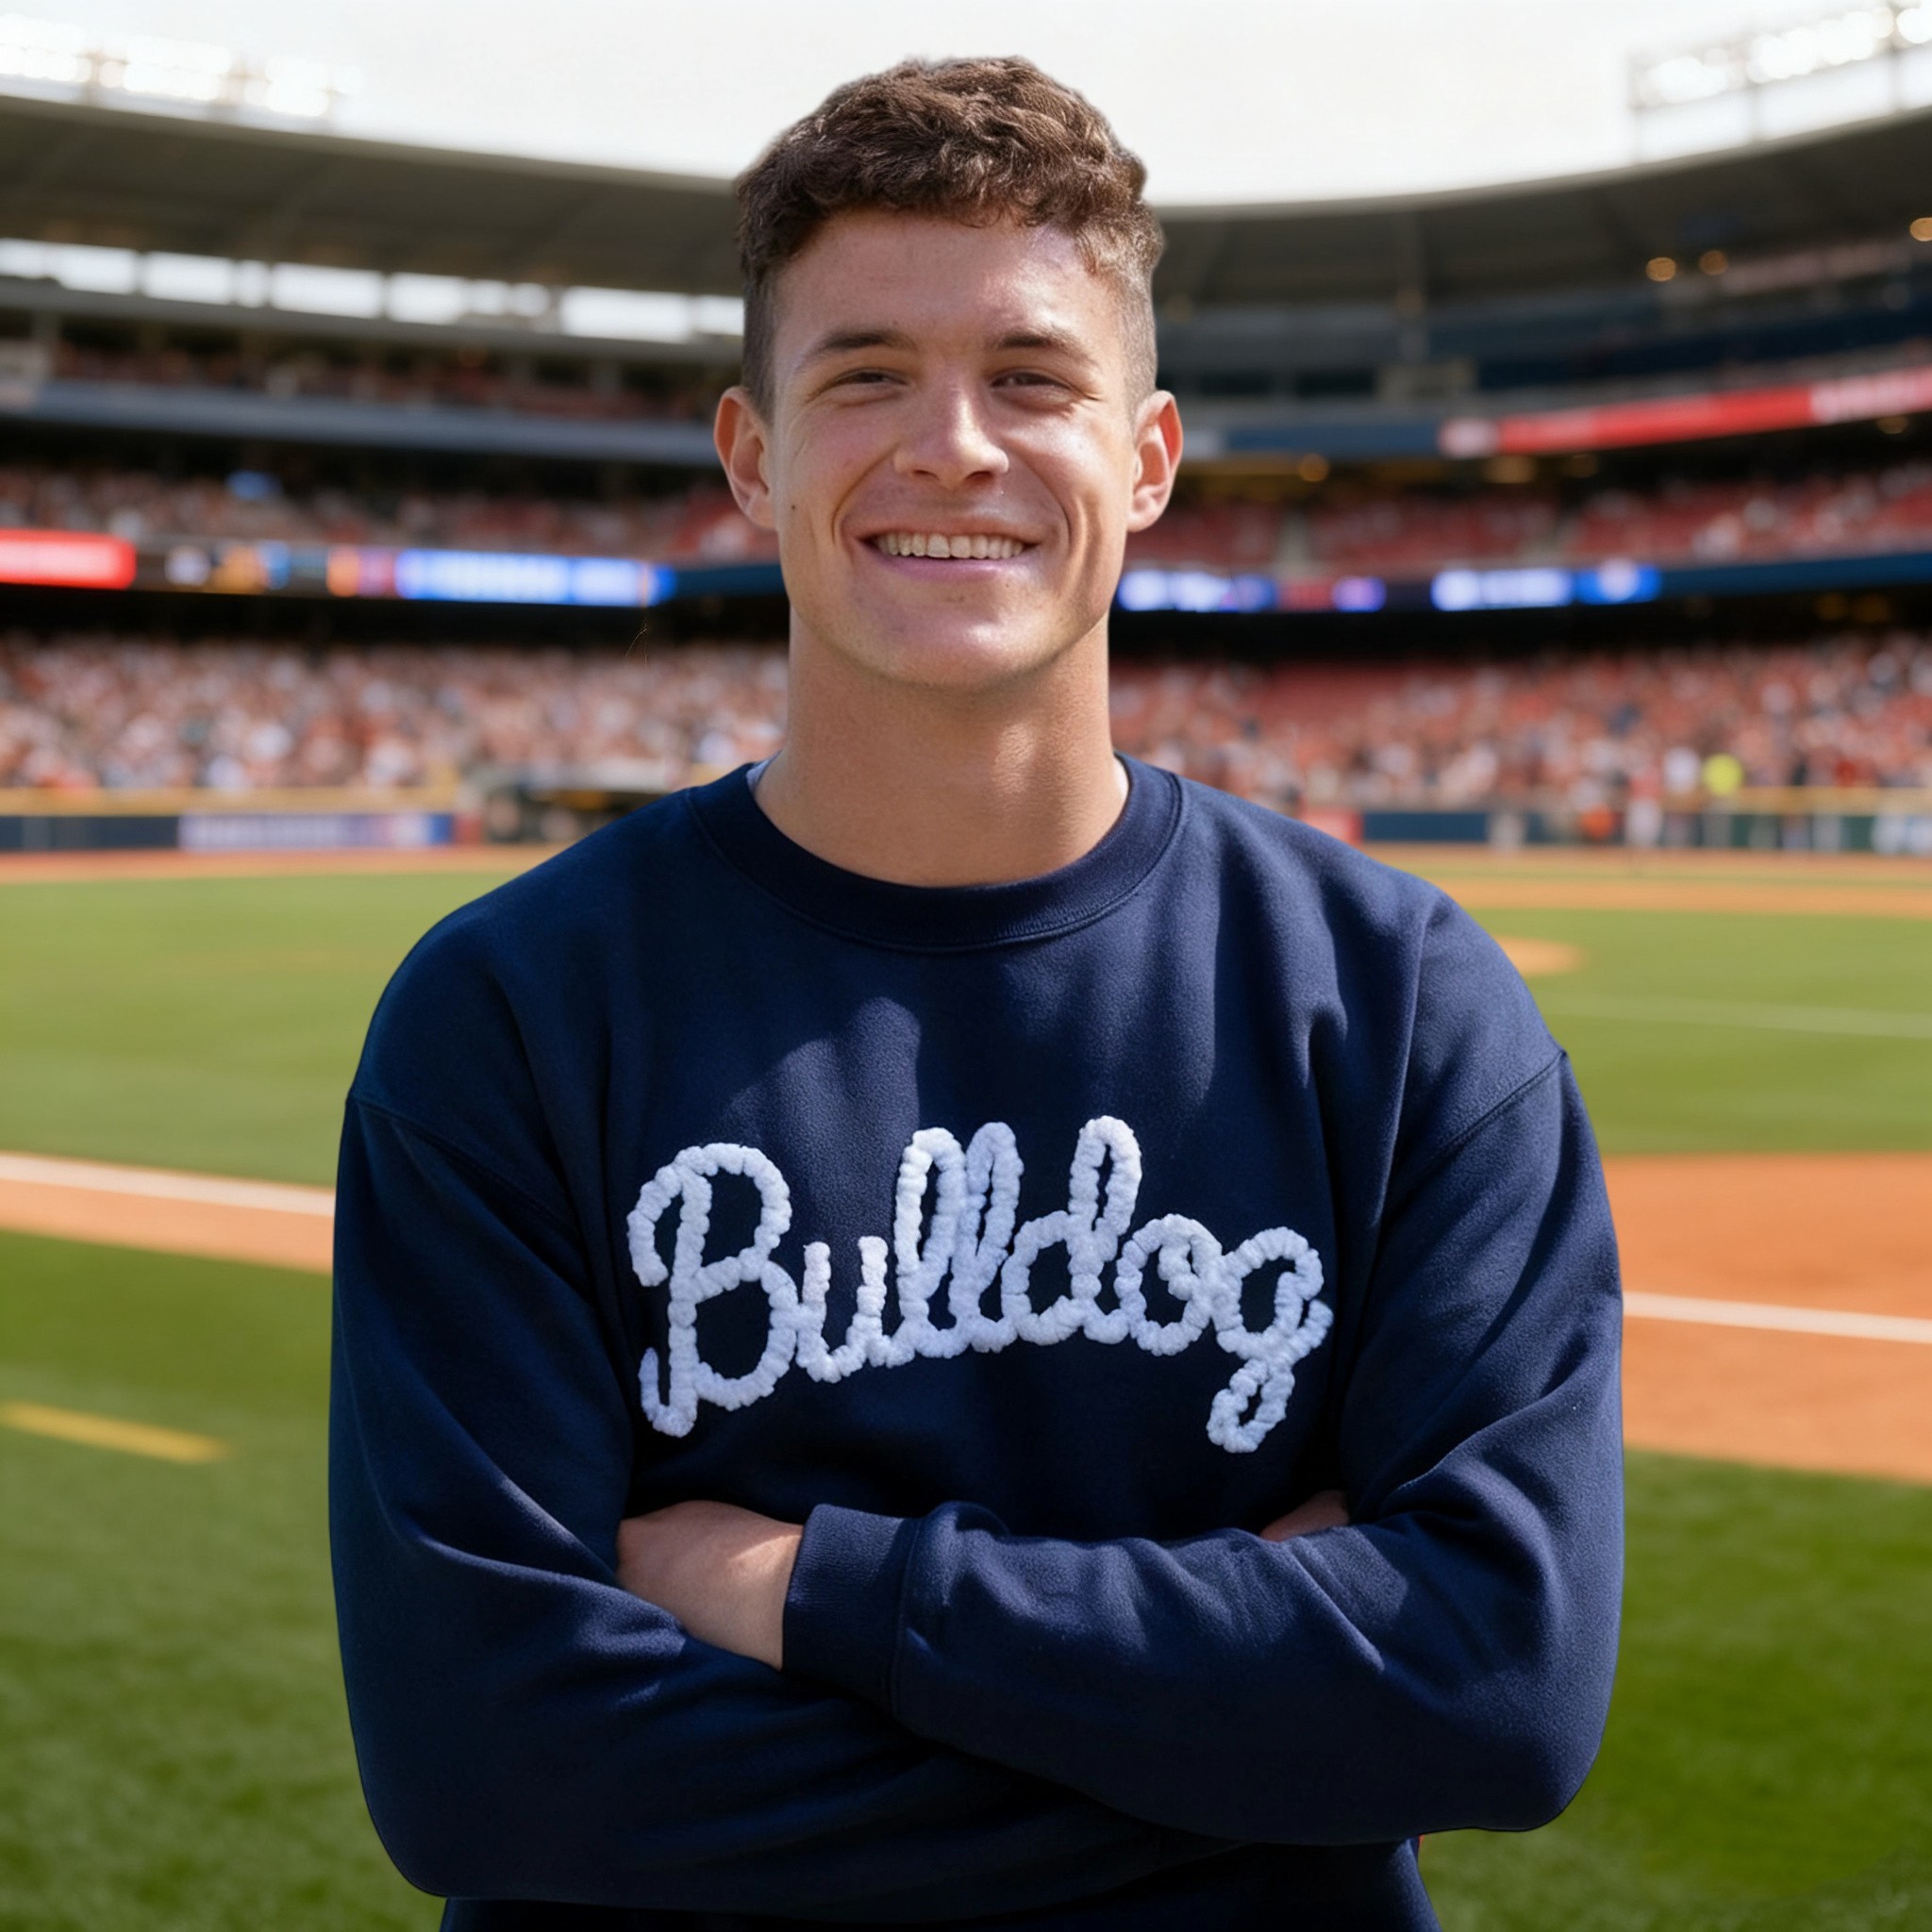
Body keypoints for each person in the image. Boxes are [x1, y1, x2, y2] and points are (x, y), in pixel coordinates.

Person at [329, 57, 1623, 1932]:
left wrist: (809, 1594)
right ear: (753, 453)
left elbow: (1496, 1688)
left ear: (1150, 457)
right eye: (864, 375)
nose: (952, 444)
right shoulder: (512, 1010)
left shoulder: (1402, 1002)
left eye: (1032, 377)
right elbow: (489, 1763)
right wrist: (1264, 1724)